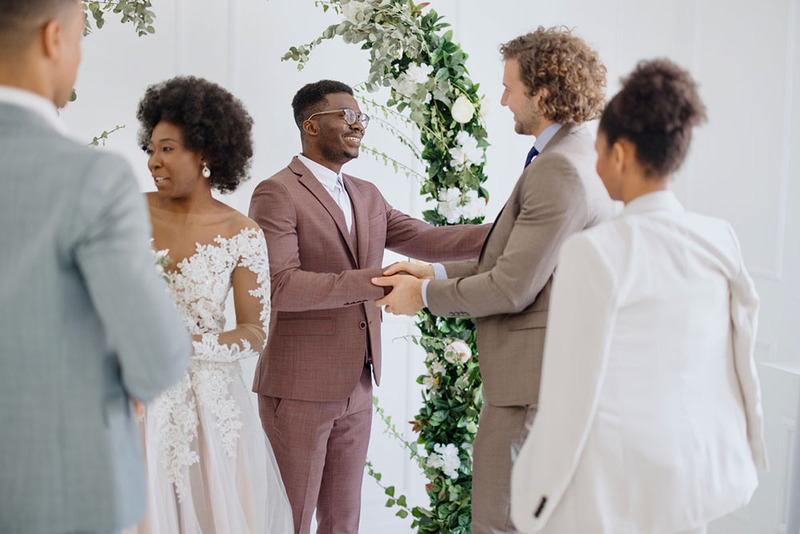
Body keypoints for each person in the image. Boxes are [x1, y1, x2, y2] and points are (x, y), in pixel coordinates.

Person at [510, 59, 768, 534]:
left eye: (601, 152)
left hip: (613, 489)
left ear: (622, 155)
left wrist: (532, 503)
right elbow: (739, 361)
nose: (597, 164)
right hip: (690, 478)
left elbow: (569, 400)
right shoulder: (719, 238)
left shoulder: (596, 251)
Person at [372, 27, 614, 533]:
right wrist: (432, 269)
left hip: (531, 387)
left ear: (543, 92)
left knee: (498, 522)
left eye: (510, 88)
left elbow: (512, 287)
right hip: (542, 378)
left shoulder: (559, 169)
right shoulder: (575, 155)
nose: (502, 100)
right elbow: (517, 259)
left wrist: (424, 294)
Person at [248, 79, 490, 534]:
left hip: (358, 385)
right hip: (298, 387)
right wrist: (383, 281)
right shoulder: (276, 192)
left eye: (363, 117)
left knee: (344, 522)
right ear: (311, 125)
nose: (360, 125)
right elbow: (281, 286)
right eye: (348, 115)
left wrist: (509, 228)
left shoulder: (367, 194)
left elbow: (428, 238)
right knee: (291, 521)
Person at [0, 1, 192, 533]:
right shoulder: (92, 180)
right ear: (53, 40)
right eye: (80, 39)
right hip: (57, 489)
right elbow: (157, 359)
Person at [128, 76, 293, 533]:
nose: (153, 160)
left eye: (167, 149)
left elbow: (255, 333)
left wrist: (186, 344)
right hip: (133, 393)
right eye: (151, 148)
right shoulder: (123, 211)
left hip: (210, 410)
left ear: (206, 152)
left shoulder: (242, 233)